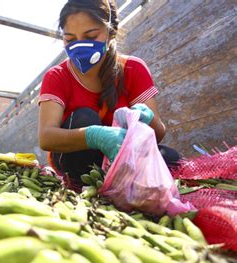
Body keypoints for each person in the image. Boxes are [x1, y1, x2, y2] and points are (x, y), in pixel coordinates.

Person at [37, 0, 180, 190]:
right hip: (77, 161)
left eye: (91, 36)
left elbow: (158, 134)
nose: (79, 45)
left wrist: (148, 117)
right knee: (84, 117)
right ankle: (89, 185)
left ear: (111, 32)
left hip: (123, 158)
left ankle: (117, 183)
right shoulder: (57, 76)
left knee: (172, 160)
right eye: (70, 39)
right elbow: (47, 138)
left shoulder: (132, 69)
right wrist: (95, 136)